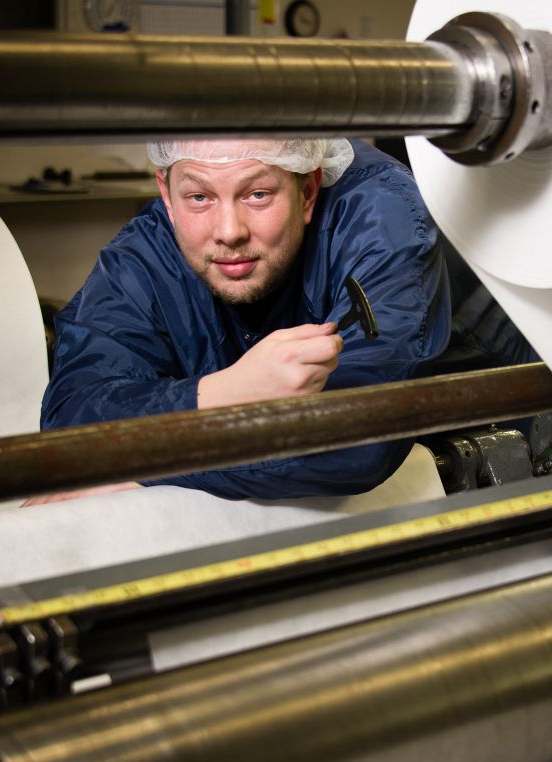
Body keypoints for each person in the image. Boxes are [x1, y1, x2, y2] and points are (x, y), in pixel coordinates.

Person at [34, 138, 456, 502]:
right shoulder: (148, 250)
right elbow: (72, 418)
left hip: (476, 452)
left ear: (308, 190)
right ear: (166, 193)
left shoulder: (382, 219)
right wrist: (221, 394)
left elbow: (358, 437)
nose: (229, 231)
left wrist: (135, 469)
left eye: (257, 194)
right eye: (199, 197)